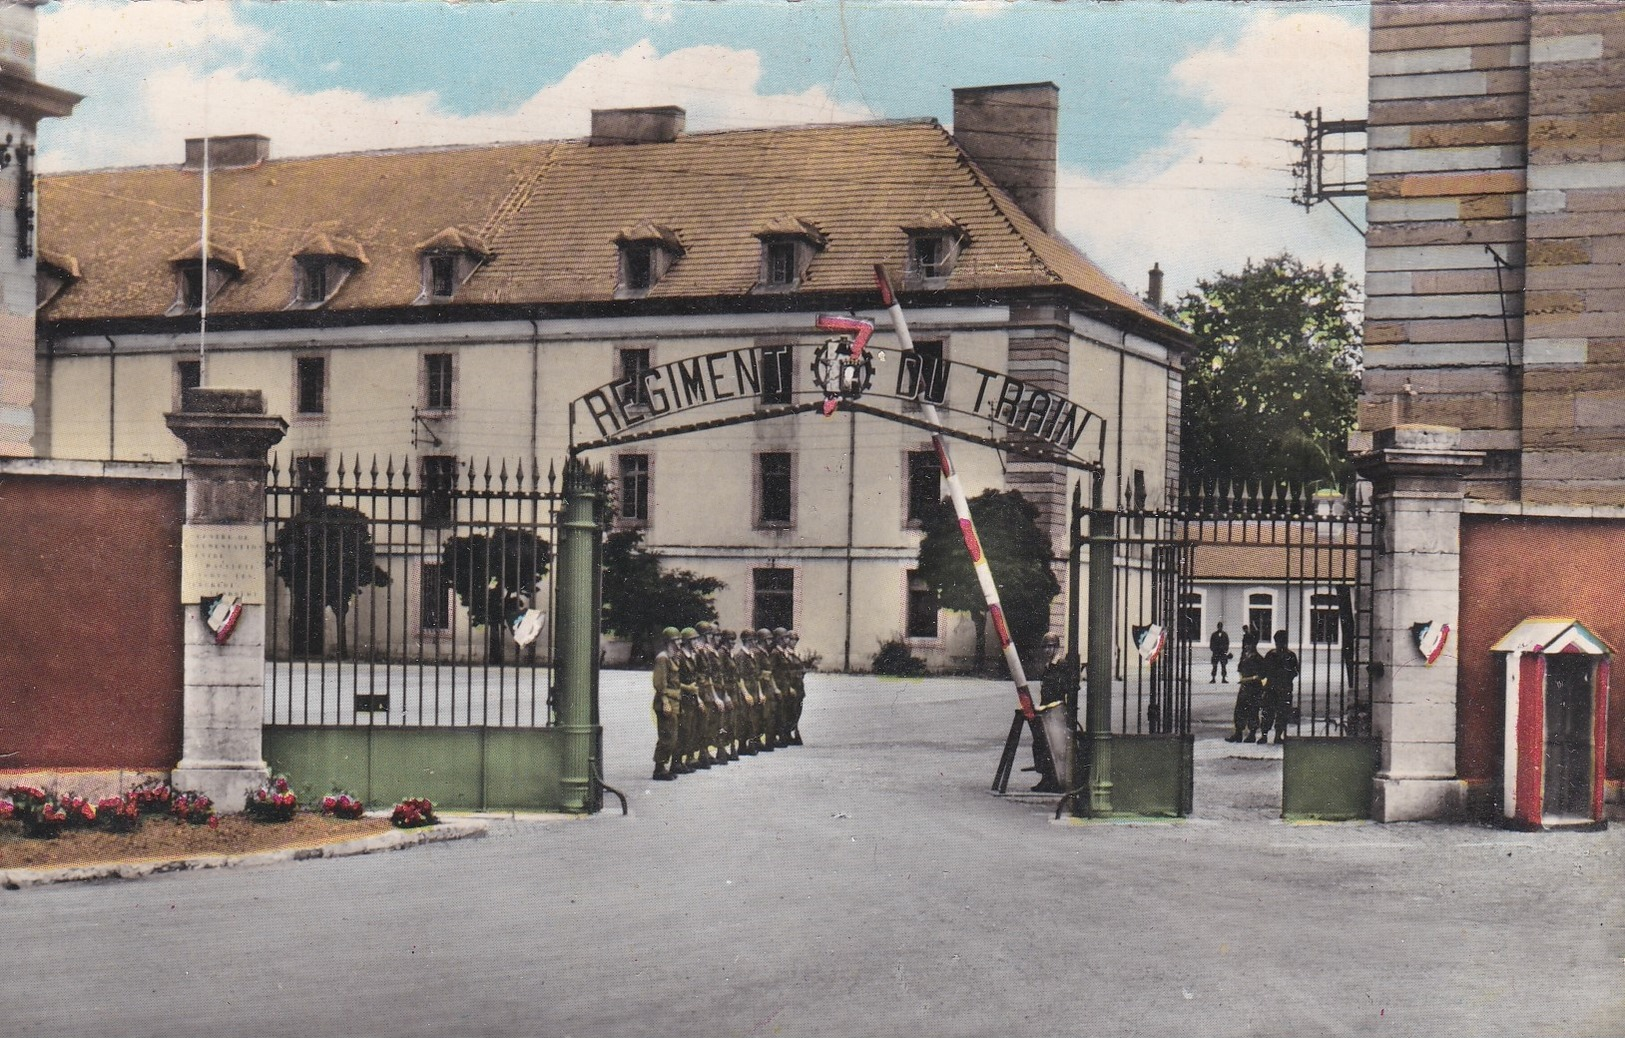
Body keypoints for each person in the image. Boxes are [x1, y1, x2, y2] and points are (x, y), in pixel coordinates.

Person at [1030, 633, 1074, 793]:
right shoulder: (1048, 665)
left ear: (1056, 648)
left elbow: (1063, 687)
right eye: (1046, 647)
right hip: (1046, 709)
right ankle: (1046, 778)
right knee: (1041, 744)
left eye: (1051, 647)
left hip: (1055, 710)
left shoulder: (1060, 665)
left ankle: (1053, 780)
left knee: (1053, 746)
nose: (1048, 650)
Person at [650, 627, 683, 780]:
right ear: (669, 642)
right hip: (666, 702)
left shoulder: (673, 657)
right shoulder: (662, 658)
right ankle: (659, 768)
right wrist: (665, 702)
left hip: (675, 700)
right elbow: (659, 682)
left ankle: (666, 765)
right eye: (676, 640)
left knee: (673, 735)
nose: (679, 642)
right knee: (667, 736)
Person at [1259, 629, 1301, 744]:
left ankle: (1265, 735)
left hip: (1272, 688)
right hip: (1283, 688)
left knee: (1269, 712)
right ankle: (1277, 736)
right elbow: (1296, 672)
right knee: (1281, 713)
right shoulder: (1290, 655)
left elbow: (1263, 672)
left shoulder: (1271, 655)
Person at [1226, 634, 1265, 744]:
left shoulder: (1258, 658)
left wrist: (1248, 679)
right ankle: (1238, 733)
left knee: (1253, 710)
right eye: (1245, 644)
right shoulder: (1244, 657)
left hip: (1255, 688)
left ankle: (1252, 734)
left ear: (1254, 644)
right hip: (1244, 688)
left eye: (1248, 644)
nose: (1246, 646)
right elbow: (1240, 670)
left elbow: (1262, 675)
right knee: (1239, 710)